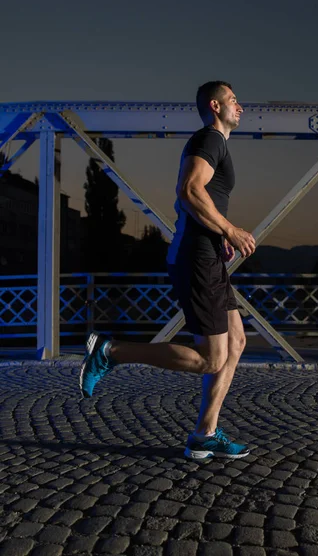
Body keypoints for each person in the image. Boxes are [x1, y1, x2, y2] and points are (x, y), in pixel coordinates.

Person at [79, 81, 256, 460]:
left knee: (236, 343)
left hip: (208, 255)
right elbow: (189, 191)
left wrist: (218, 230)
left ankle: (204, 434)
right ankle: (111, 351)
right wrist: (230, 229)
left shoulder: (216, 143)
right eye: (233, 101)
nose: (240, 106)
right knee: (211, 358)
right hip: (197, 258)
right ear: (215, 106)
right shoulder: (210, 139)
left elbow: (201, 198)